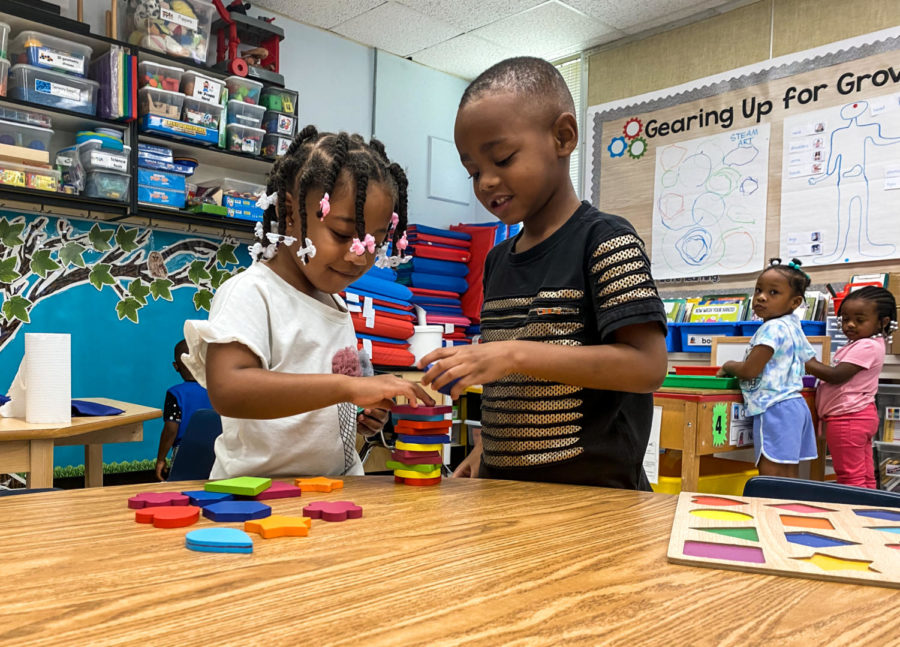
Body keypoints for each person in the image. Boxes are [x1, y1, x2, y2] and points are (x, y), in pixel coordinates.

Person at [420, 57, 668, 490]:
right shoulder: (497, 260)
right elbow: (511, 388)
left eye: (502, 158)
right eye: (474, 172)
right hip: (507, 494)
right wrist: (485, 450)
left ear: (563, 136)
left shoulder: (606, 240)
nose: (487, 182)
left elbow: (648, 366)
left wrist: (514, 353)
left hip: (595, 501)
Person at [183, 126, 433, 479]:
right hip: (256, 497)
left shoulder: (337, 306)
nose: (359, 256)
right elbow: (229, 390)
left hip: (332, 493)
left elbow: (330, 408)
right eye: (343, 234)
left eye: (373, 242)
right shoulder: (252, 293)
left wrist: (363, 416)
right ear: (289, 213)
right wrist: (349, 388)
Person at [718, 258, 818, 478]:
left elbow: (749, 370)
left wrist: (728, 365)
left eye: (774, 293)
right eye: (758, 290)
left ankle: (769, 511)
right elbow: (809, 362)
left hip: (775, 407)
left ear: (795, 302)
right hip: (795, 406)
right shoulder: (792, 326)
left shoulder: (771, 328)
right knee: (788, 472)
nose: (761, 297)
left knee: (769, 475)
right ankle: (786, 511)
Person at [806, 287, 896, 488]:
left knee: (849, 476)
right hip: (859, 415)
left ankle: (853, 514)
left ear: (883, 322)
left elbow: (836, 376)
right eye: (845, 319)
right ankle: (869, 511)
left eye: (859, 320)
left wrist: (808, 362)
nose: (850, 325)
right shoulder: (868, 344)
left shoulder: (866, 346)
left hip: (848, 418)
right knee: (864, 473)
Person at [155, 339, 212, 481]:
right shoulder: (216, 390)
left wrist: (161, 459)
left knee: (180, 488)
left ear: (176, 366)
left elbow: (171, 429)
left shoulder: (175, 393)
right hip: (217, 449)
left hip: (185, 451)